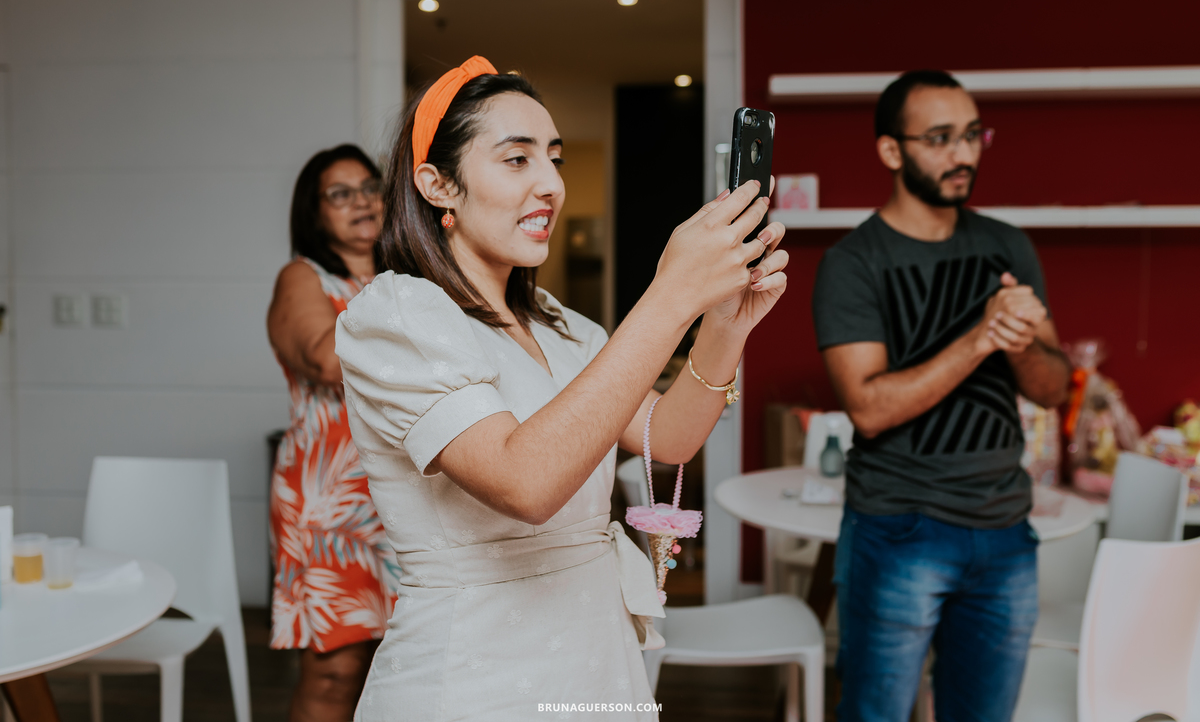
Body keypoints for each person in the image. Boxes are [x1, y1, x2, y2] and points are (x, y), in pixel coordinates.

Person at [334, 56, 788, 721]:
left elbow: (672, 435)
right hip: (475, 677)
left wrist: (724, 325)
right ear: (438, 186)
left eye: (554, 159)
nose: (550, 184)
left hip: (595, 656)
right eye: (517, 160)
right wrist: (667, 297)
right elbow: (527, 485)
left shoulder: (561, 324)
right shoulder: (397, 314)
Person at [812, 70, 1072, 721]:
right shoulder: (853, 263)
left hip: (1006, 531)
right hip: (900, 529)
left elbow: (1051, 389)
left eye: (972, 135)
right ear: (891, 151)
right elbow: (868, 409)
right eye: (939, 138)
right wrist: (983, 336)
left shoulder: (1006, 245)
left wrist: (1017, 341)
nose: (963, 154)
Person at [267, 144, 402, 722]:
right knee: (336, 669)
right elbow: (325, 358)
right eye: (339, 194)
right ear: (314, 212)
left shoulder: (410, 275)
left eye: (369, 187)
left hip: (406, 491)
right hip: (333, 501)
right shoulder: (304, 277)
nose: (361, 201)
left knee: (402, 662)